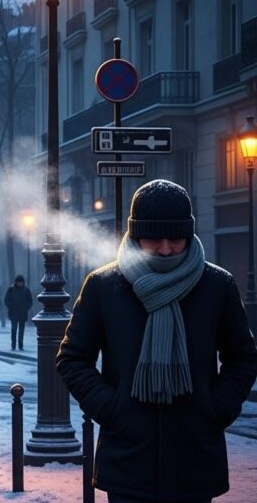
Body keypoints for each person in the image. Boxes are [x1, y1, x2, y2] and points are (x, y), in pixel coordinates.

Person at [57, 180, 257, 503]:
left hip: (195, 460)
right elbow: (72, 358)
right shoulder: (103, 286)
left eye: (176, 238)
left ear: (189, 235)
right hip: (128, 461)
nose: (166, 248)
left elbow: (243, 358)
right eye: (154, 238)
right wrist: (112, 409)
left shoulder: (217, 286)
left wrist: (214, 409)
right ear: (136, 235)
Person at [3, 275, 33, 351]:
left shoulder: (26, 290)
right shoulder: (11, 289)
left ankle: (20, 345)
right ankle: (13, 345)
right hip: (13, 313)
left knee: (21, 331)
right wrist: (11, 306)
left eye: (21, 282)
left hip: (23, 313)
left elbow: (30, 301)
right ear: (16, 282)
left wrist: (26, 308)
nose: (20, 283)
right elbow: (6, 300)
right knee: (14, 330)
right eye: (18, 282)